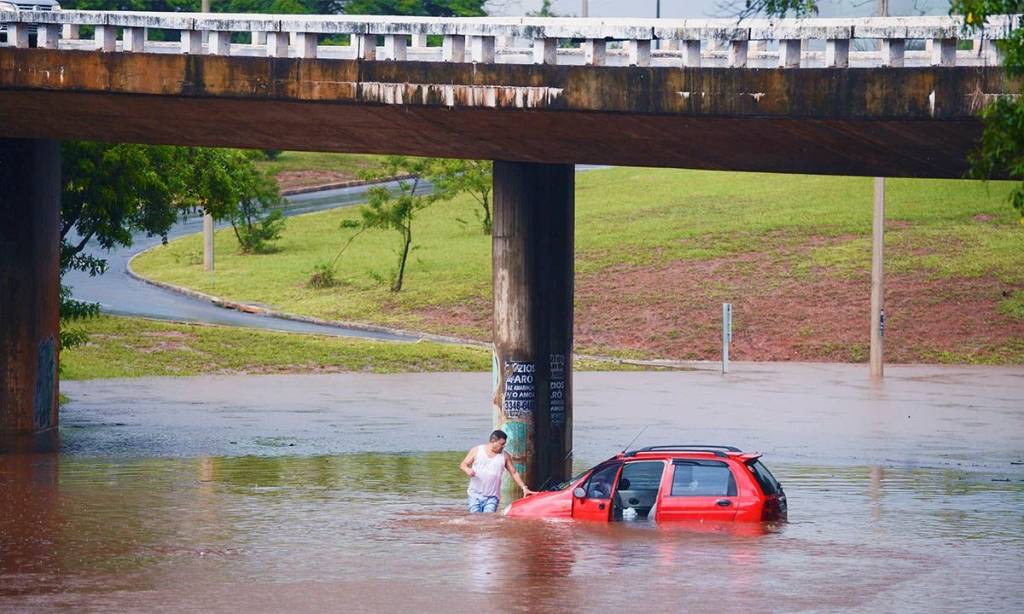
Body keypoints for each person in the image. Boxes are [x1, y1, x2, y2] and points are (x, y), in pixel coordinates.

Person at [460, 429, 535, 513]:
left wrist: (524, 487)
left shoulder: (505, 456)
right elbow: (463, 464)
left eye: (504, 444)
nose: (503, 446)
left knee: (489, 521)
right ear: (493, 441)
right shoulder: (477, 450)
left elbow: (514, 473)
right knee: (475, 520)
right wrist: (467, 469)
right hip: (474, 495)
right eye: (501, 444)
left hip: (492, 498)